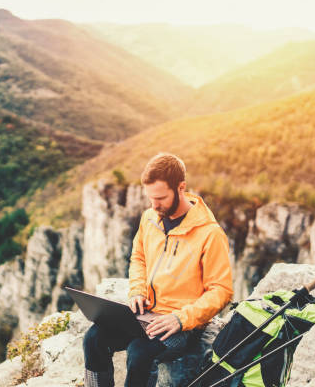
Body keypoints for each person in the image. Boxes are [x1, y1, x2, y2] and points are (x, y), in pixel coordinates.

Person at [83, 153, 233, 386]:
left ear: (181, 187)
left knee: (139, 352)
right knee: (93, 338)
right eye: (150, 198)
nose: (154, 205)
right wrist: (137, 291)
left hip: (182, 325)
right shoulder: (149, 218)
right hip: (146, 314)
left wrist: (181, 319)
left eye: (161, 198)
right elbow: (139, 257)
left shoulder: (210, 234)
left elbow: (221, 290)